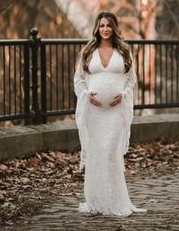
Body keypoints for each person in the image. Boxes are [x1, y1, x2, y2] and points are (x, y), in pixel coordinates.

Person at [74, 11, 147, 216]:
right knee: (97, 154)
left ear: (114, 28)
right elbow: (78, 79)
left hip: (115, 112)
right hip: (94, 113)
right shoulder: (88, 51)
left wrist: (123, 94)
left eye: (108, 25)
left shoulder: (124, 51)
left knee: (110, 153)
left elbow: (132, 79)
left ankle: (115, 202)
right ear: (97, 28)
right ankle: (96, 201)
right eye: (101, 25)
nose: (105, 29)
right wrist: (87, 95)